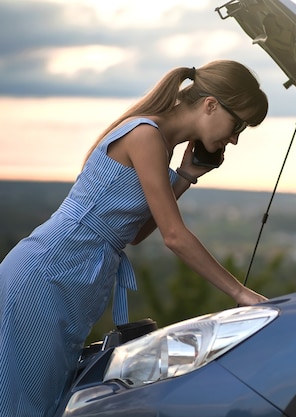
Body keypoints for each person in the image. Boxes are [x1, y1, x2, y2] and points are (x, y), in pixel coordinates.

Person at [0, 59, 269, 416]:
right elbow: (173, 236)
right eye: (237, 125)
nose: (233, 139)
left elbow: (135, 233)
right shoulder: (146, 135)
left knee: (45, 402)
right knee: (27, 405)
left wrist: (185, 176)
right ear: (210, 105)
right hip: (47, 275)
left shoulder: (159, 143)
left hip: (71, 281)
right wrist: (240, 293)